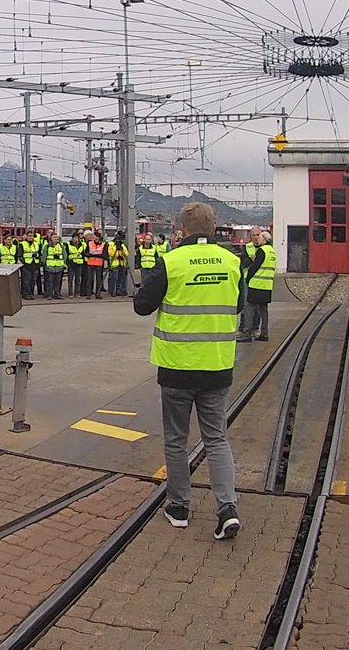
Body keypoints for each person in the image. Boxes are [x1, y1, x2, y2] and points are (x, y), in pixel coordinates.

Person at [134, 202, 243, 541]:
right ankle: (227, 508)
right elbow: (238, 305)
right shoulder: (232, 262)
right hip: (217, 365)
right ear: (214, 229)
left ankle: (179, 507)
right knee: (217, 439)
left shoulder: (171, 262)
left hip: (177, 366)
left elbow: (142, 306)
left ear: (182, 230)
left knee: (177, 440)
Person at [242, 232, 277, 342]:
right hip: (267, 286)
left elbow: (255, 266)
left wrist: (247, 278)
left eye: (260, 237)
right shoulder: (272, 252)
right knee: (263, 310)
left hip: (256, 284)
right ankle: (264, 334)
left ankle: (247, 333)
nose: (258, 239)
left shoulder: (262, 251)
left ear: (265, 239)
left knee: (249, 308)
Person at [43, 234, 65, 299]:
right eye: (54, 237)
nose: (55, 238)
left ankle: (56, 294)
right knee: (50, 282)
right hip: (50, 267)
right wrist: (45, 265)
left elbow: (64, 255)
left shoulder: (61, 246)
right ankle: (49, 294)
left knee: (57, 282)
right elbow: (44, 256)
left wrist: (63, 264)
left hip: (59, 266)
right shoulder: (47, 246)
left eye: (56, 237)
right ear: (51, 238)